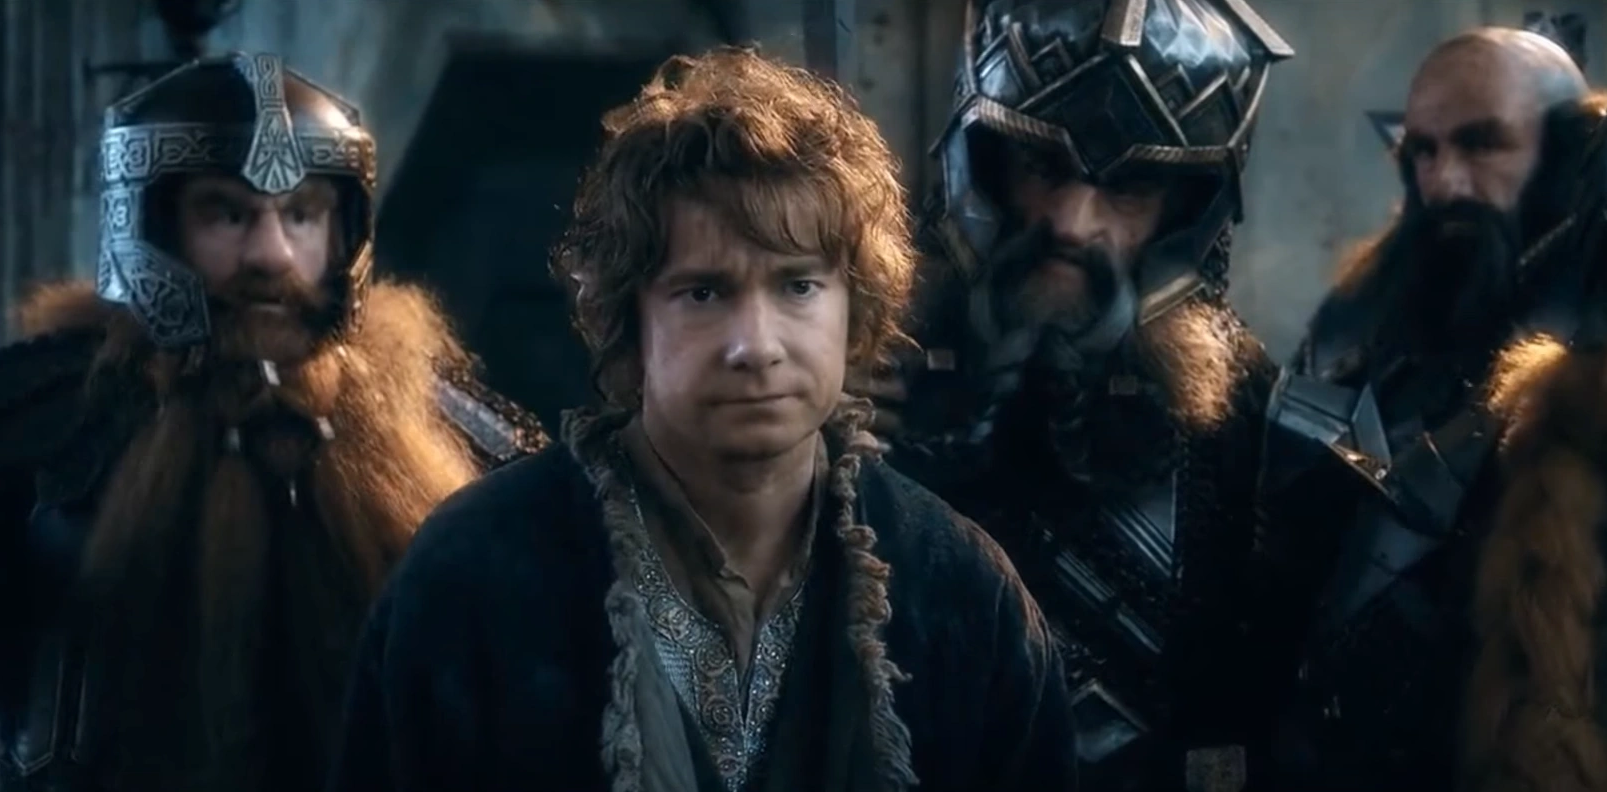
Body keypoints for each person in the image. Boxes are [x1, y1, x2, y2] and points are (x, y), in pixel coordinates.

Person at [327, 46, 1077, 792]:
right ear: (631, 317)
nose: (756, 346)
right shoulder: (474, 577)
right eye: (705, 293)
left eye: (798, 287)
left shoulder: (959, 592)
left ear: (854, 308)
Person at [0, 52, 547, 792]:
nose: (272, 255)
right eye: (228, 214)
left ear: (342, 227)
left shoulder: (456, 437)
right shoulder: (29, 418)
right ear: (155, 220)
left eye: (301, 215)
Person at [859, 1, 1292, 789]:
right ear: (985, 161)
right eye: (1043, 169)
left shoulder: (1244, 412)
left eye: (1127, 188)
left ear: (1182, 212)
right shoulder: (867, 366)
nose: (1070, 221)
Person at [1256, 29, 1603, 791]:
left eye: (1481, 144)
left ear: (1566, 153)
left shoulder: (1589, 374)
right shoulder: (1363, 325)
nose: (1444, 181)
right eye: (1423, 151)